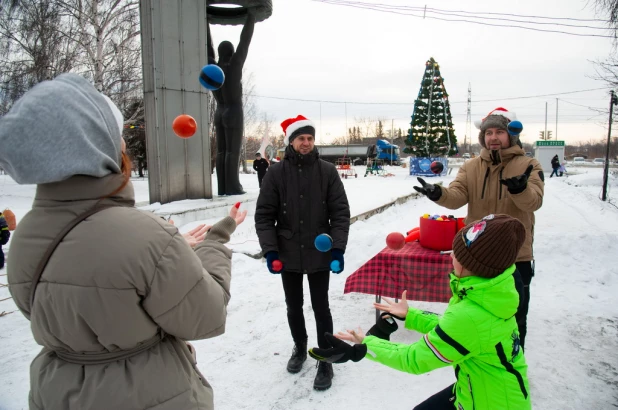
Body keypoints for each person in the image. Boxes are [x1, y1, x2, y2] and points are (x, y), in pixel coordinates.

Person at [0, 73, 247, 410]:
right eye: (117, 136)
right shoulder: (146, 236)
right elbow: (207, 315)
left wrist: (167, 255)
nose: (124, 145)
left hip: (55, 393)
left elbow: (85, 287)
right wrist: (212, 243)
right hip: (148, 395)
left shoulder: (26, 233)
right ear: (94, 144)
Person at [310, 214, 531, 410]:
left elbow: (413, 359)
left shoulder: (472, 314)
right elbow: (456, 329)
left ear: (468, 265)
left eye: (457, 253)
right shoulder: (491, 295)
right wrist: (411, 316)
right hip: (481, 388)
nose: (451, 255)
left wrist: (366, 345)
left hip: (491, 404)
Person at [413, 107, 543, 350]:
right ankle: (475, 360)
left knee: (515, 317)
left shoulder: (528, 165)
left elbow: (534, 201)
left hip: (515, 255)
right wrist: (438, 193)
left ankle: (513, 363)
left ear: (510, 135)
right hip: (476, 254)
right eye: (489, 132)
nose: (493, 137)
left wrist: (520, 189)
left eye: (500, 132)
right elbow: (457, 196)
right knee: (472, 313)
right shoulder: (471, 167)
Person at [254, 114, 350, 391]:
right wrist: (271, 252)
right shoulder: (275, 173)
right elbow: (264, 216)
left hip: (320, 253)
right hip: (288, 253)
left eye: (309, 138)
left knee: (321, 307)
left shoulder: (327, 171)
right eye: (301, 139)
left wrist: (337, 249)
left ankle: (326, 357)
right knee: (293, 305)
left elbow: (340, 214)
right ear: (291, 142)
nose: (306, 143)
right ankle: (300, 346)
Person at [207, 12, 255, 196]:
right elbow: (245, 41)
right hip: (234, 110)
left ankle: (222, 187)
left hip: (219, 111)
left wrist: (205, 22)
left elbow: (208, 47)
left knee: (221, 151)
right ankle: (233, 187)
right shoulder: (234, 66)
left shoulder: (213, 69)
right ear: (231, 52)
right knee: (232, 152)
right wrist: (251, 18)